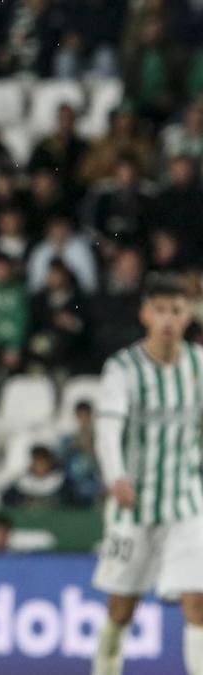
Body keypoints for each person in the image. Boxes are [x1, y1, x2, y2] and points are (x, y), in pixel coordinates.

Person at [91, 275, 203, 675]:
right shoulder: (123, 368)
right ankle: (105, 668)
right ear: (145, 314)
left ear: (187, 314)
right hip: (133, 505)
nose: (168, 319)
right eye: (160, 310)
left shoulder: (199, 363)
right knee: (122, 609)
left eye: (176, 310)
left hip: (187, 503)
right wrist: (115, 475)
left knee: (198, 600)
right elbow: (107, 428)